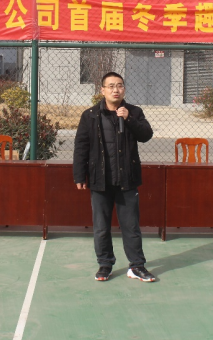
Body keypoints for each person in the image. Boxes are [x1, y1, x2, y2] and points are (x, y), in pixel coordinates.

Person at [73, 72, 156, 282]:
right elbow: (81, 146)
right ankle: (105, 264)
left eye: (119, 85)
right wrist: (79, 175)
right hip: (100, 181)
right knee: (101, 227)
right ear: (102, 90)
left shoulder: (134, 112)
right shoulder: (90, 115)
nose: (115, 90)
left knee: (131, 227)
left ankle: (136, 266)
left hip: (126, 180)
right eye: (111, 86)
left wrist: (128, 119)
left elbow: (146, 135)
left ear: (124, 89)